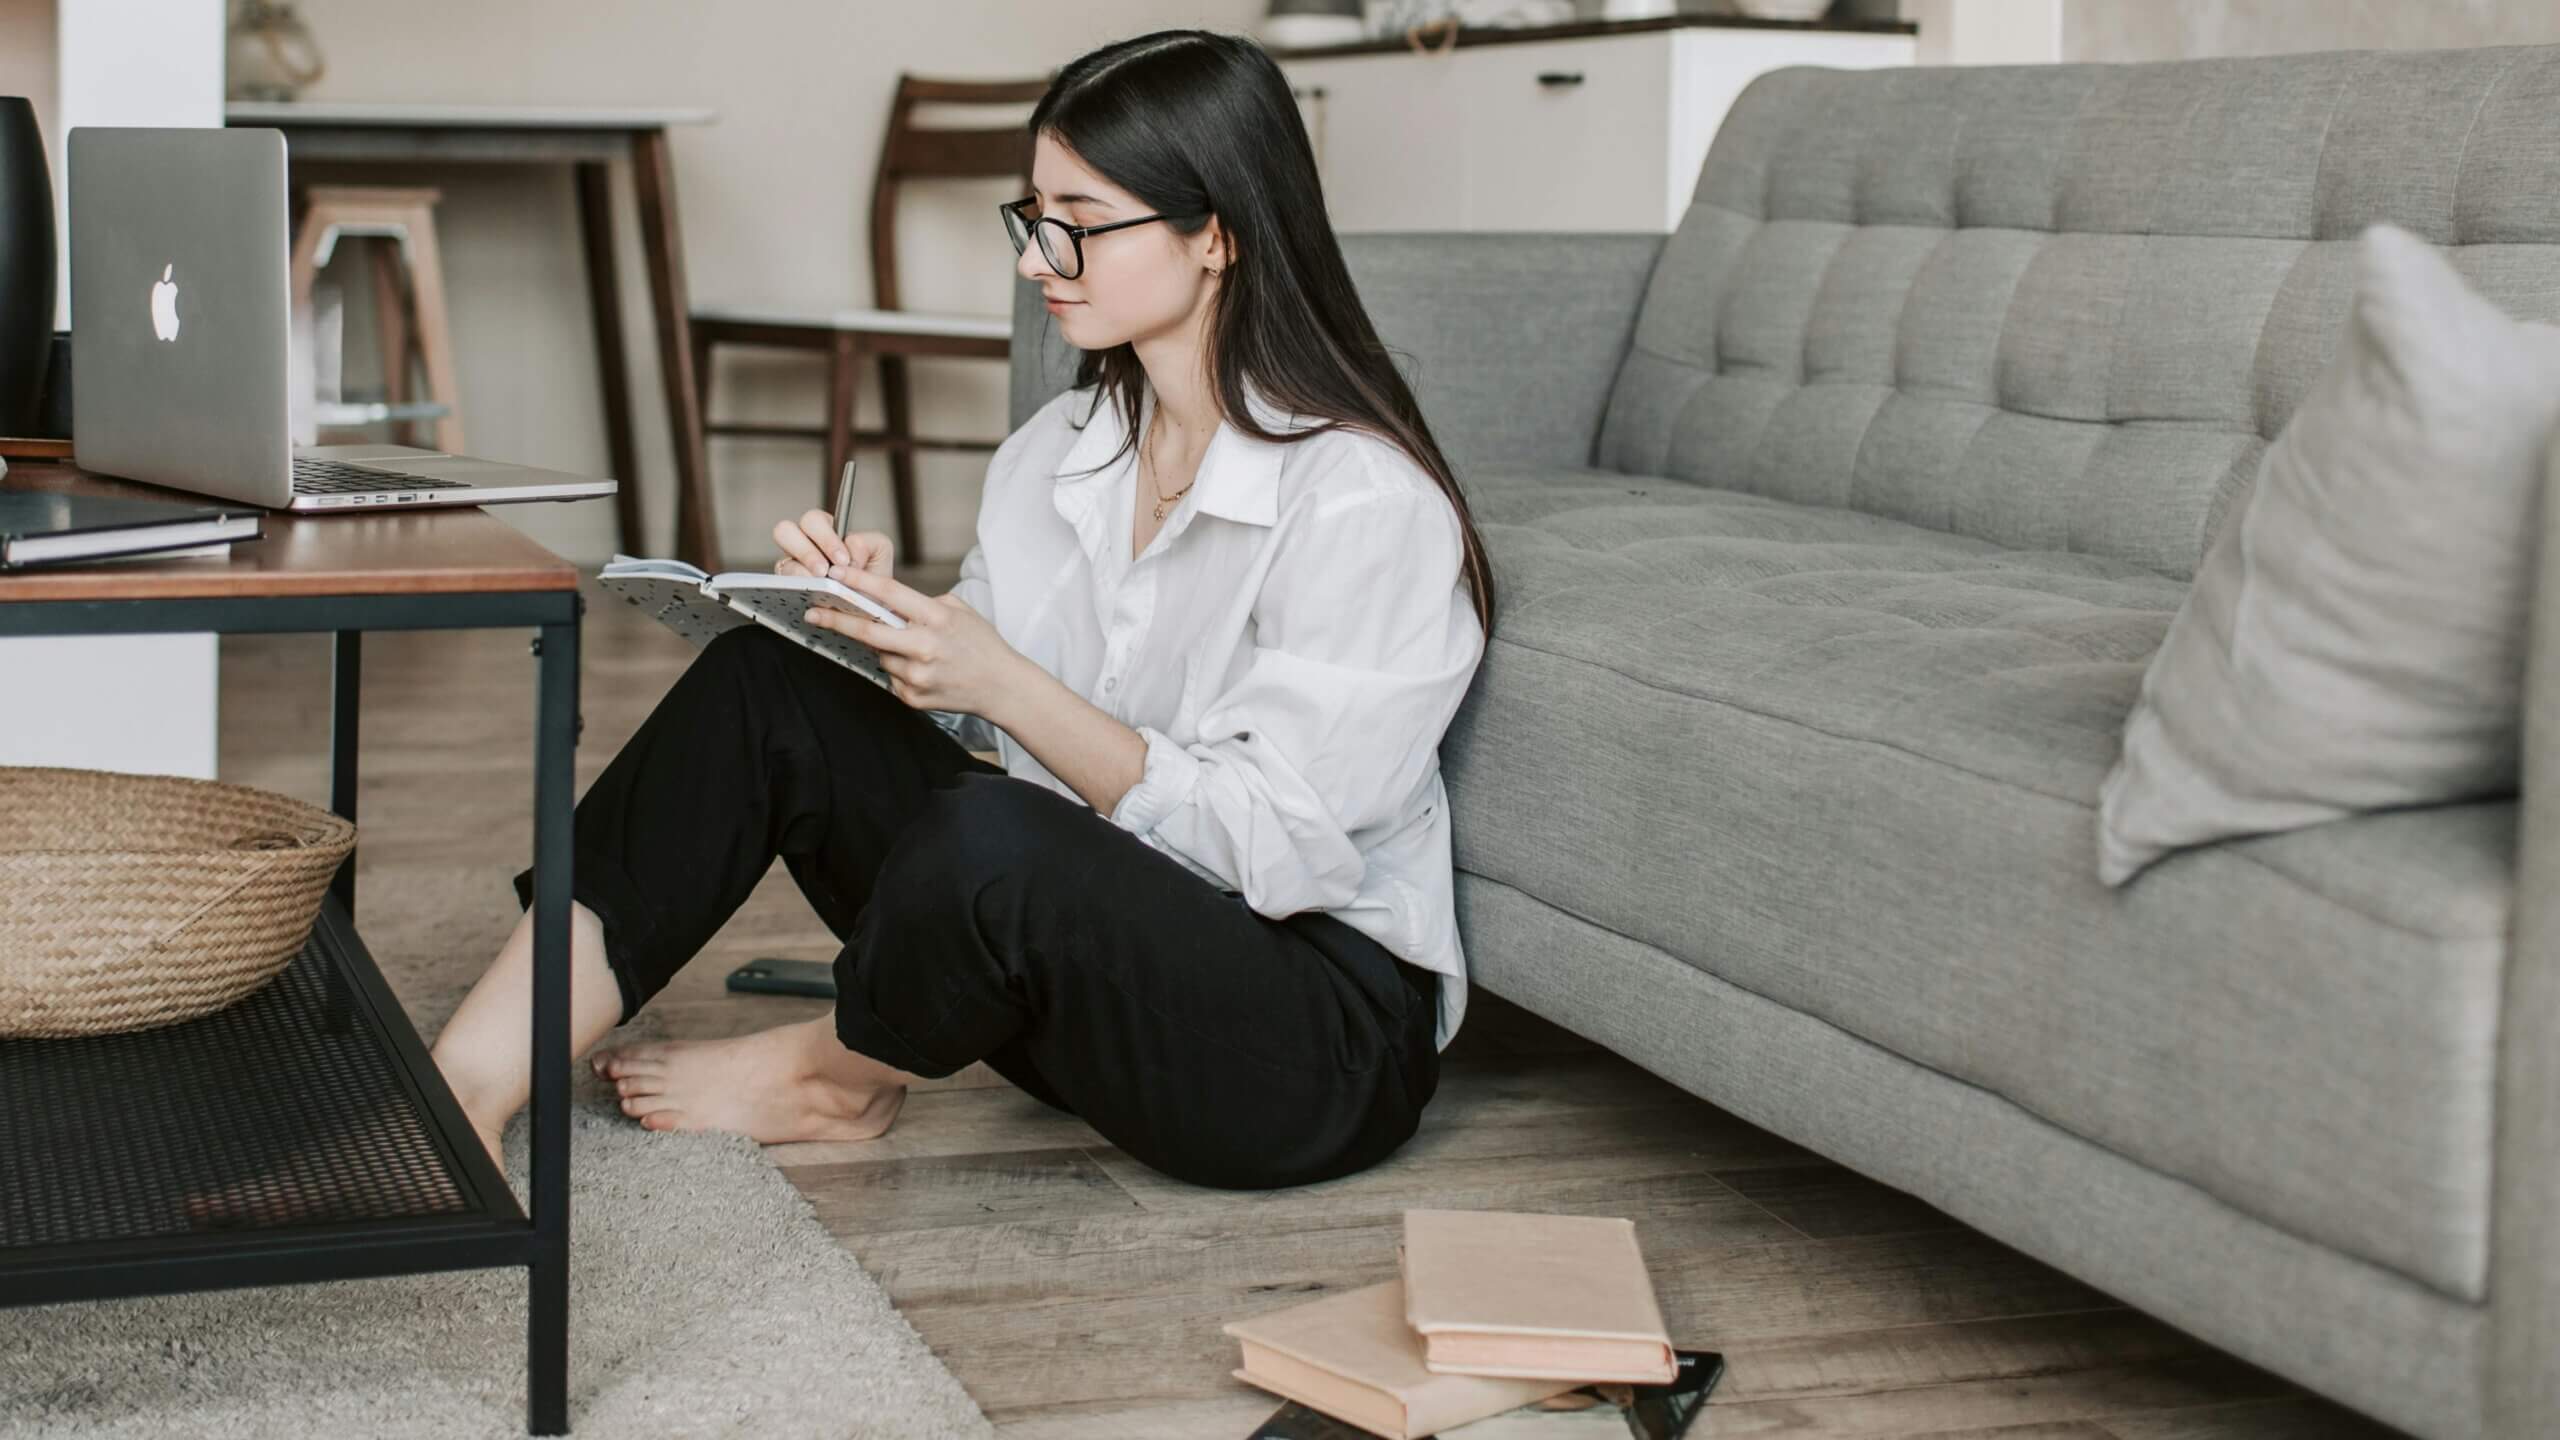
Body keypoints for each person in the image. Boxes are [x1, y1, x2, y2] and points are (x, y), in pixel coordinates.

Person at [426, 28, 1496, 1192]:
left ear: (1216, 236)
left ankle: (837, 1070)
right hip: (1088, 965)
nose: (1039, 257)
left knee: (999, 841)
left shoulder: (1362, 504)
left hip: (1303, 1044)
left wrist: (1003, 684)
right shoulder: (1059, 452)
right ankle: (465, 1086)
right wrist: (877, 630)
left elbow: (1277, 851)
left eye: (1080, 220)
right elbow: (985, 740)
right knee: (767, 689)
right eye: (1031, 213)